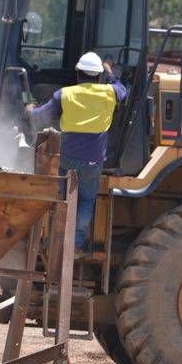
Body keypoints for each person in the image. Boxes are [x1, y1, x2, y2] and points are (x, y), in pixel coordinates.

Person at [25, 52, 126, 258]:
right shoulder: (110, 92)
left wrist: (29, 110)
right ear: (98, 76)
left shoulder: (65, 94)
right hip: (93, 161)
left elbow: (39, 117)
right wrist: (110, 73)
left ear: (78, 73)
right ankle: (75, 246)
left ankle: (56, 240)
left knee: (61, 200)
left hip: (67, 157)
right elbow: (123, 89)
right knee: (86, 201)